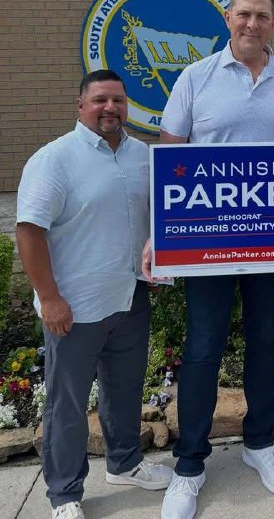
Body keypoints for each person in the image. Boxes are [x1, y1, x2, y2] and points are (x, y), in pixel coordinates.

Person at [156, 0, 274, 519]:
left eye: (262, 16)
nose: (252, 23)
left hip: (271, 243)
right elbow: (170, 156)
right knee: (202, 349)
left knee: (266, 342)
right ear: (228, 18)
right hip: (207, 244)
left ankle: (259, 443)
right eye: (244, 14)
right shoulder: (196, 77)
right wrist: (159, 232)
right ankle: (190, 463)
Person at [15, 70, 172, 519]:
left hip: (130, 297)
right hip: (74, 307)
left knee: (123, 393)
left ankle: (124, 463)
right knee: (66, 405)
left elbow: (160, 216)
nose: (110, 108)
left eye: (118, 100)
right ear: (80, 105)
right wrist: (49, 298)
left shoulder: (143, 155)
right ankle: (64, 494)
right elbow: (29, 232)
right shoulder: (54, 159)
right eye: (100, 99)